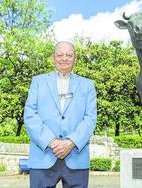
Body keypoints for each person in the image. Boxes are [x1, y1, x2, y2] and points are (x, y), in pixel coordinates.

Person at [24, 41, 97, 188]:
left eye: (69, 55)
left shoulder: (88, 85)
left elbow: (90, 119)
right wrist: (52, 142)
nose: (64, 58)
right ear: (53, 58)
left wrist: (71, 142)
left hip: (77, 158)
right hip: (42, 158)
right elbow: (30, 115)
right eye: (60, 55)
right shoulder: (37, 82)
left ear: (75, 59)